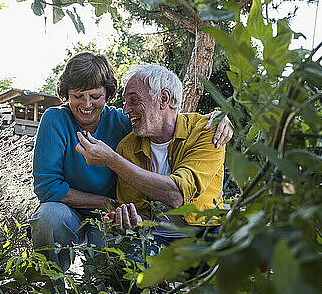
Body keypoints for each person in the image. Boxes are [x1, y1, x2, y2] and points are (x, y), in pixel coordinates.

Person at [30, 52, 232, 271]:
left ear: (107, 95)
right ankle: (51, 293)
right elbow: (47, 187)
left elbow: (165, 119)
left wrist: (220, 118)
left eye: (95, 96)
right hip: (74, 210)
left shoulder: (125, 125)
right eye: (78, 96)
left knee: (112, 263)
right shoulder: (58, 121)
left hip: (123, 219)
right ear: (67, 95)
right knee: (49, 217)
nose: (86, 104)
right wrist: (109, 205)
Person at [75, 63, 225, 248]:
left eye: (134, 100)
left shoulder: (208, 130)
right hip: (154, 240)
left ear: (163, 98)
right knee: (123, 268)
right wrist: (131, 223)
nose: (125, 110)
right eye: (125, 102)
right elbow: (139, 215)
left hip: (204, 234)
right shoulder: (127, 147)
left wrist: (112, 160)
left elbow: (176, 195)